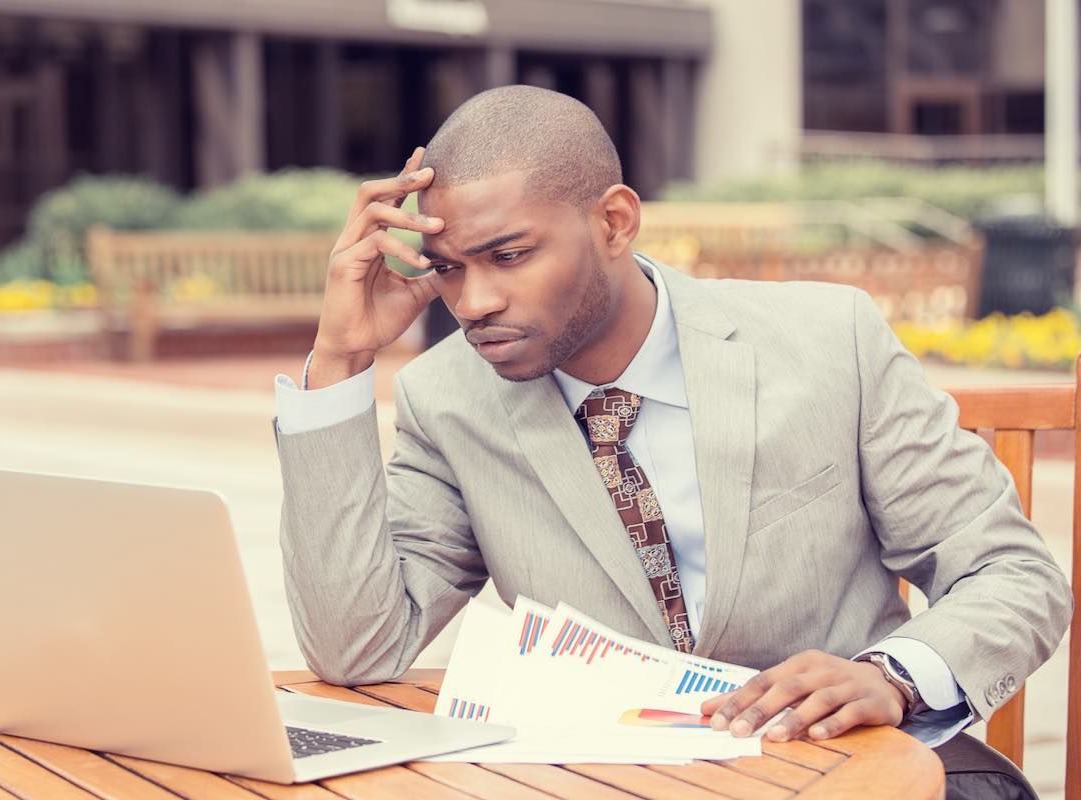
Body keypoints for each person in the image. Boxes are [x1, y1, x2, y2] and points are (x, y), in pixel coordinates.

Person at [273, 85, 1071, 798]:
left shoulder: (830, 341)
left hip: (849, 766)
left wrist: (890, 679)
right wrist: (340, 360)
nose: (473, 301)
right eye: (447, 269)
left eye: (509, 256)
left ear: (615, 221)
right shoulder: (447, 398)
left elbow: (1014, 573)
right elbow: (357, 647)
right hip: (600, 778)